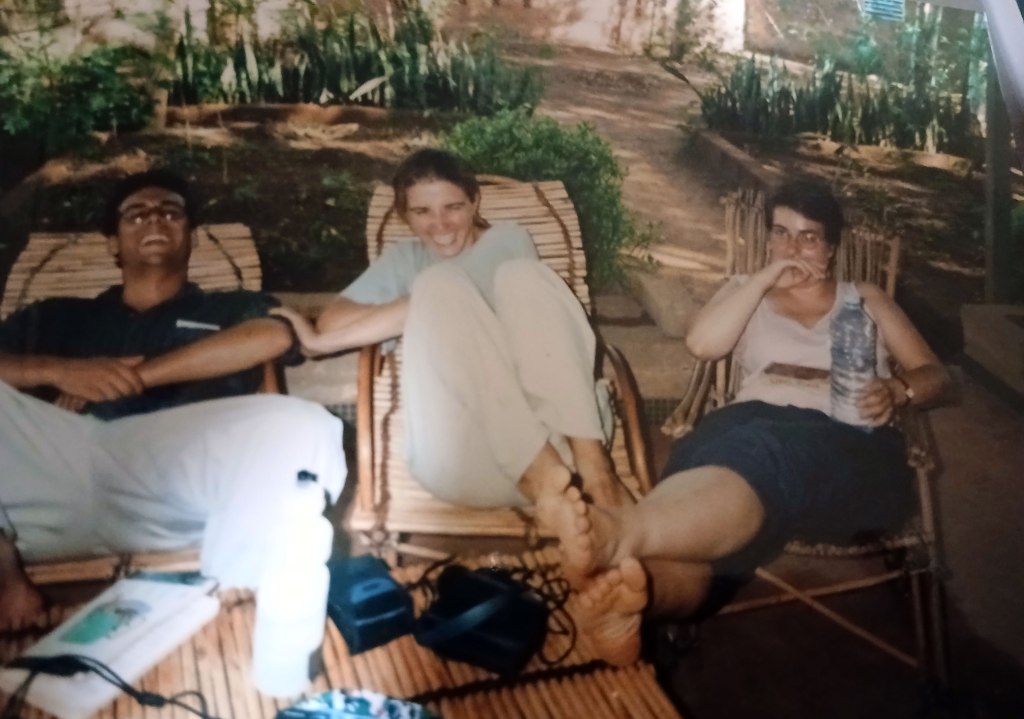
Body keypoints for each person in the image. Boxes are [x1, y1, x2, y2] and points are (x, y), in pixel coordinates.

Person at [539, 179, 957, 667]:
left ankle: (619, 531)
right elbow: (702, 345)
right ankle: (639, 602)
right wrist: (761, 281)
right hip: (746, 431)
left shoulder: (864, 298)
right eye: (780, 233)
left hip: (848, 444)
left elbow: (937, 378)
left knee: (762, 451)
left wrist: (898, 390)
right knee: (717, 467)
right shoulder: (745, 290)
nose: (791, 248)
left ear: (831, 248)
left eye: (808, 237)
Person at [0, 169, 346, 625]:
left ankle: (237, 598)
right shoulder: (61, 315)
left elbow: (274, 336)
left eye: (170, 212)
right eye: (136, 214)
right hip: (60, 468)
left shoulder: (229, 307)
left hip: (175, 477)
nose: (154, 219)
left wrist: (135, 376)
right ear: (112, 243)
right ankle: (5, 573)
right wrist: (62, 371)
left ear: (191, 237)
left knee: (307, 424)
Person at [272, 148, 629, 511]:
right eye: (422, 212)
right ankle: (548, 484)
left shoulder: (508, 240)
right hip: (463, 460)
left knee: (510, 278)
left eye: (453, 207)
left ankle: (596, 475)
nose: (439, 224)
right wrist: (401, 312)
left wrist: (324, 342)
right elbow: (333, 320)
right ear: (405, 216)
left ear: (474, 202)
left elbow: (333, 331)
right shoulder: (404, 260)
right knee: (437, 286)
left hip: (560, 448)